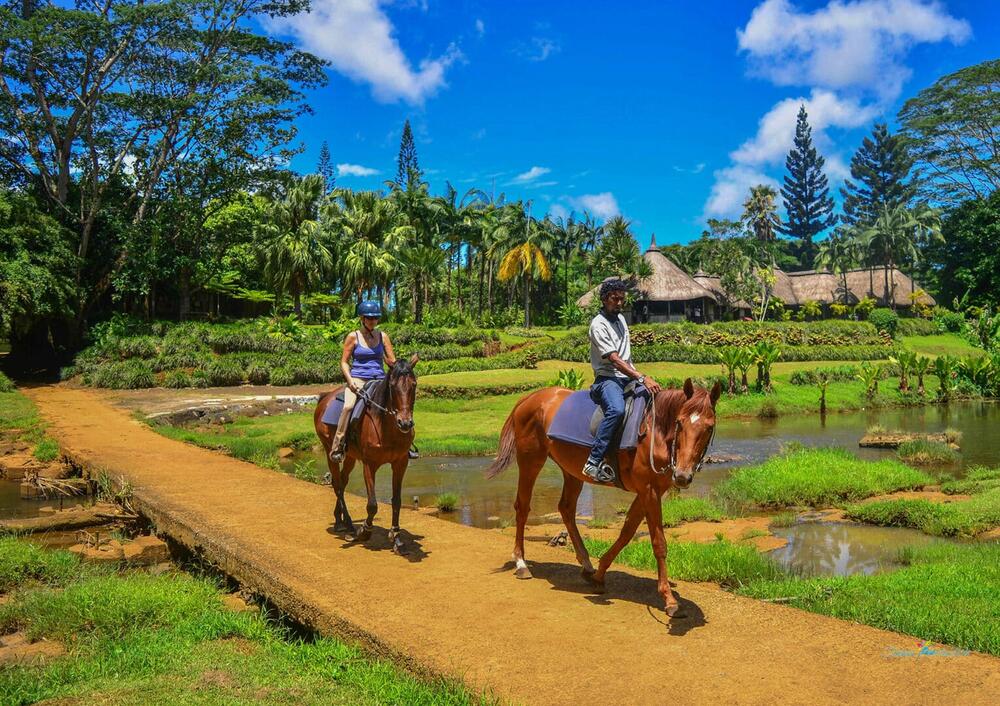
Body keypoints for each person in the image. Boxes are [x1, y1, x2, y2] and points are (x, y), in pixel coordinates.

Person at [583, 279, 662, 483]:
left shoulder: (621, 319)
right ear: (604, 299)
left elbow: (626, 358)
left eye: (621, 299)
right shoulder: (598, 324)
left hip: (627, 377)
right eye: (614, 299)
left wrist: (638, 378)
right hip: (607, 378)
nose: (619, 303)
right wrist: (642, 377)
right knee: (617, 410)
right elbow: (615, 360)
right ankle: (593, 461)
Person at [329, 300, 398, 462]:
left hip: (380, 378)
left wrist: (399, 370)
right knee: (348, 406)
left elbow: (392, 361)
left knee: (400, 404)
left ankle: (405, 445)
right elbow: (344, 362)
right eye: (370, 318)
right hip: (359, 379)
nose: (373, 321)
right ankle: (338, 446)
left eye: (376, 318)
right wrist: (350, 381)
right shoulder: (353, 337)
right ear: (362, 318)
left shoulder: (383, 336)